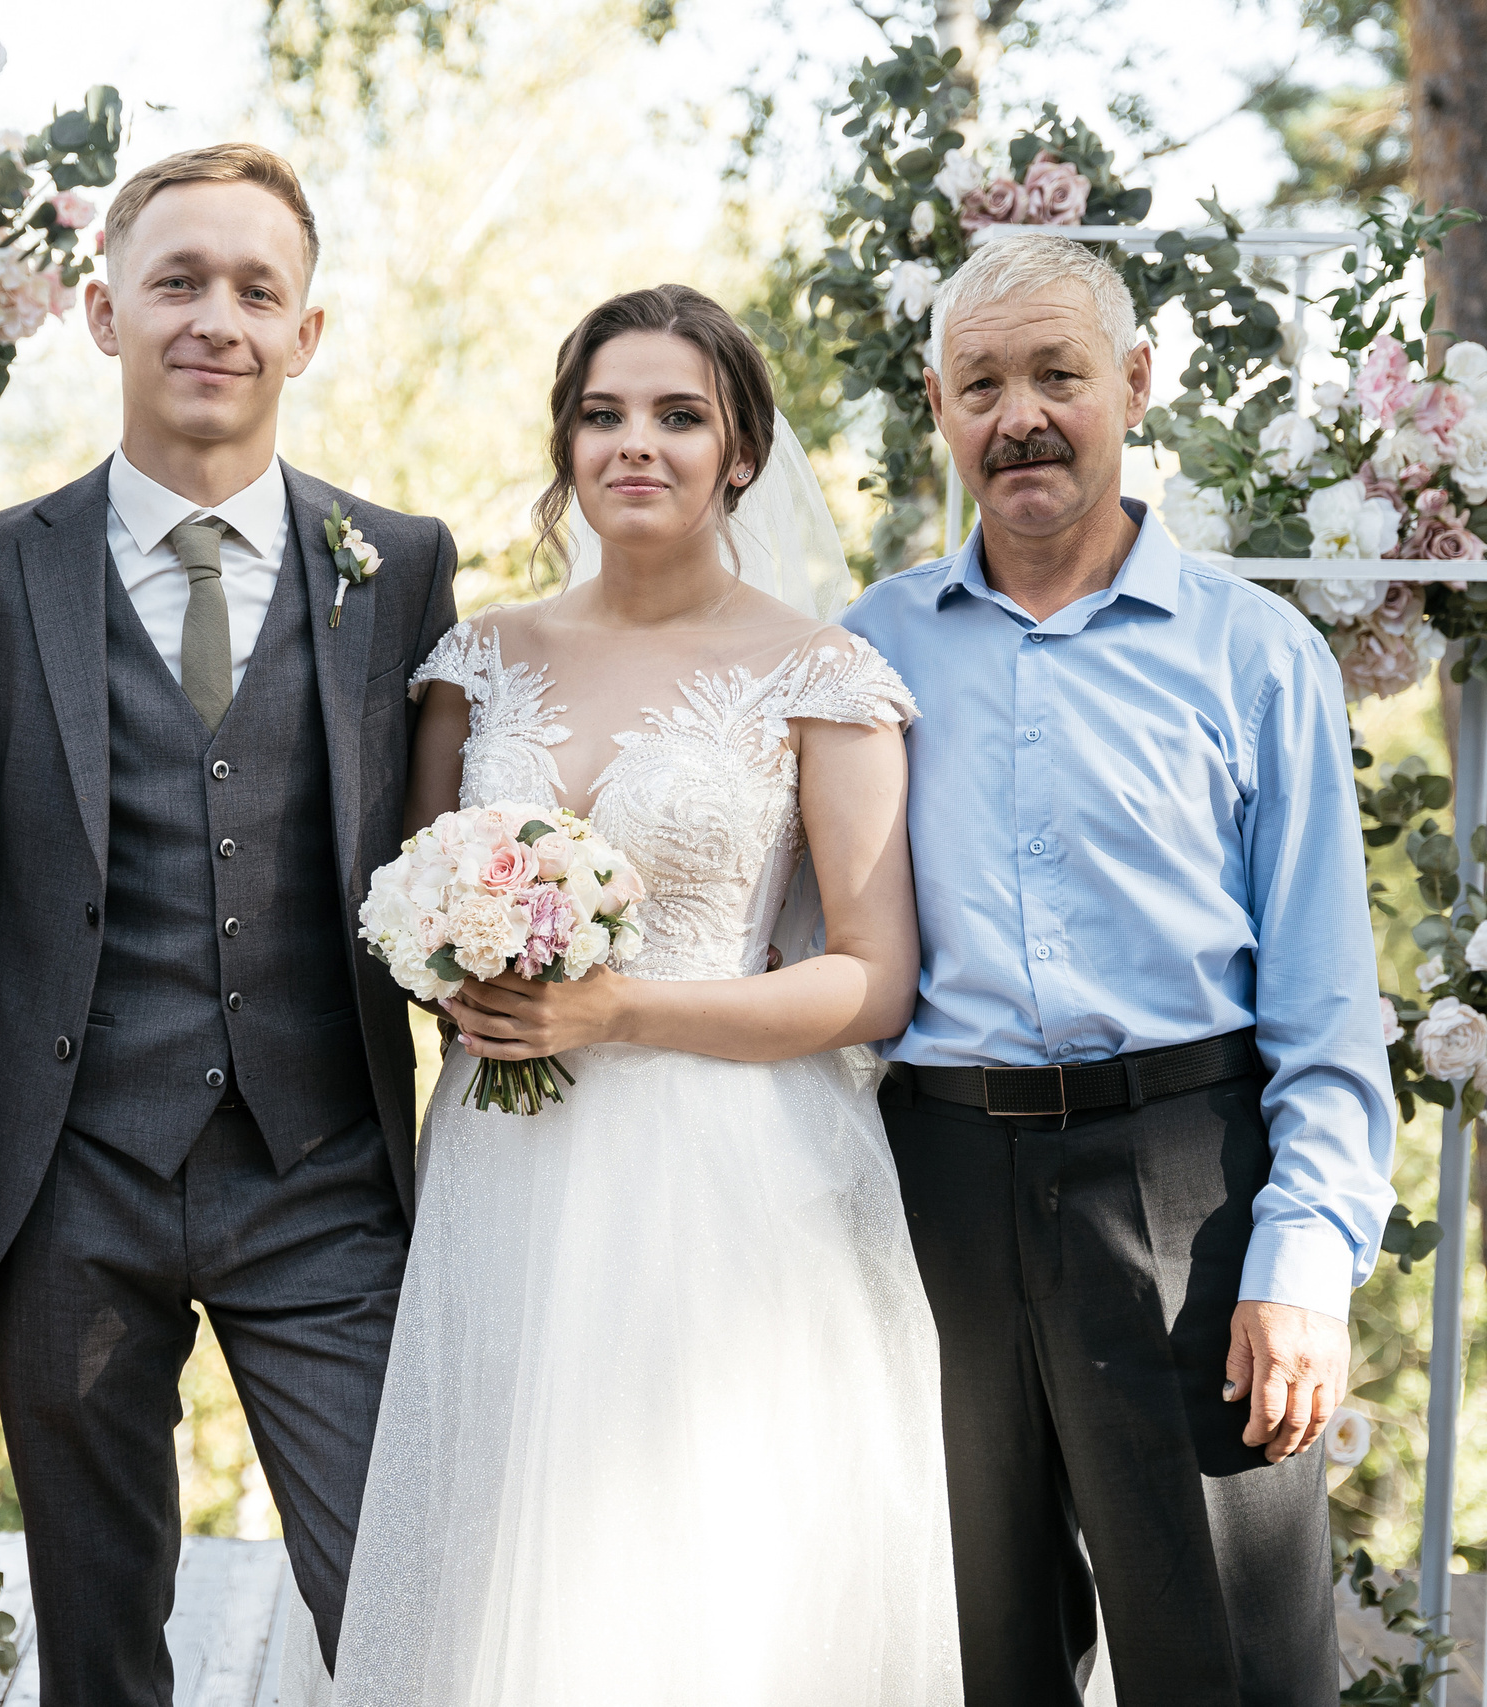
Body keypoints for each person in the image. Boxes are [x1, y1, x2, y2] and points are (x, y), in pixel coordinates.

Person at [329, 285, 962, 1705]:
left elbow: (872, 980)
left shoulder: (824, 676)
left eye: (680, 416)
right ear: (566, 444)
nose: (639, 445)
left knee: (712, 1575)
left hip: (730, 1182)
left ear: (740, 451)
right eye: (604, 414)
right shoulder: (476, 663)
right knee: (513, 1555)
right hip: (512, 1164)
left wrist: (618, 1014)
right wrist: (474, 973)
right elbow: (417, 915)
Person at [0, 143, 458, 1704]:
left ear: (308, 332)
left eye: (254, 289)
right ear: (102, 312)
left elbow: (441, 835)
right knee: (96, 1638)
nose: (215, 318)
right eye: (177, 282)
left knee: (401, 1600)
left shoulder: (400, 564)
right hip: (69, 1179)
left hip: (325, 1177)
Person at [841, 232, 1396, 1705]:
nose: (1019, 415)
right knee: (968, 1653)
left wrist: (1306, 1265)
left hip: (1186, 1190)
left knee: (1230, 1663)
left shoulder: (1257, 656)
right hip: (933, 1194)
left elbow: (1330, 1004)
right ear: (941, 408)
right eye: (982, 384)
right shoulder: (867, 654)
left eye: (1057, 376)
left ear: (1135, 384)